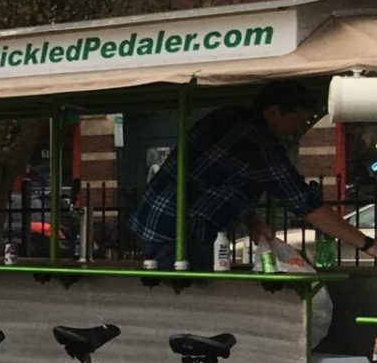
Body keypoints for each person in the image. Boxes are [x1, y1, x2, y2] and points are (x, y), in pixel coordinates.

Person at [131, 81, 377, 266]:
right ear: (274, 111)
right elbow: (306, 204)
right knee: (196, 302)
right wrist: (367, 244)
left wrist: (252, 220)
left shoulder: (229, 117)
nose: (298, 129)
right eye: (297, 120)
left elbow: (217, 182)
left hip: (157, 222)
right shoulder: (260, 143)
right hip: (180, 234)